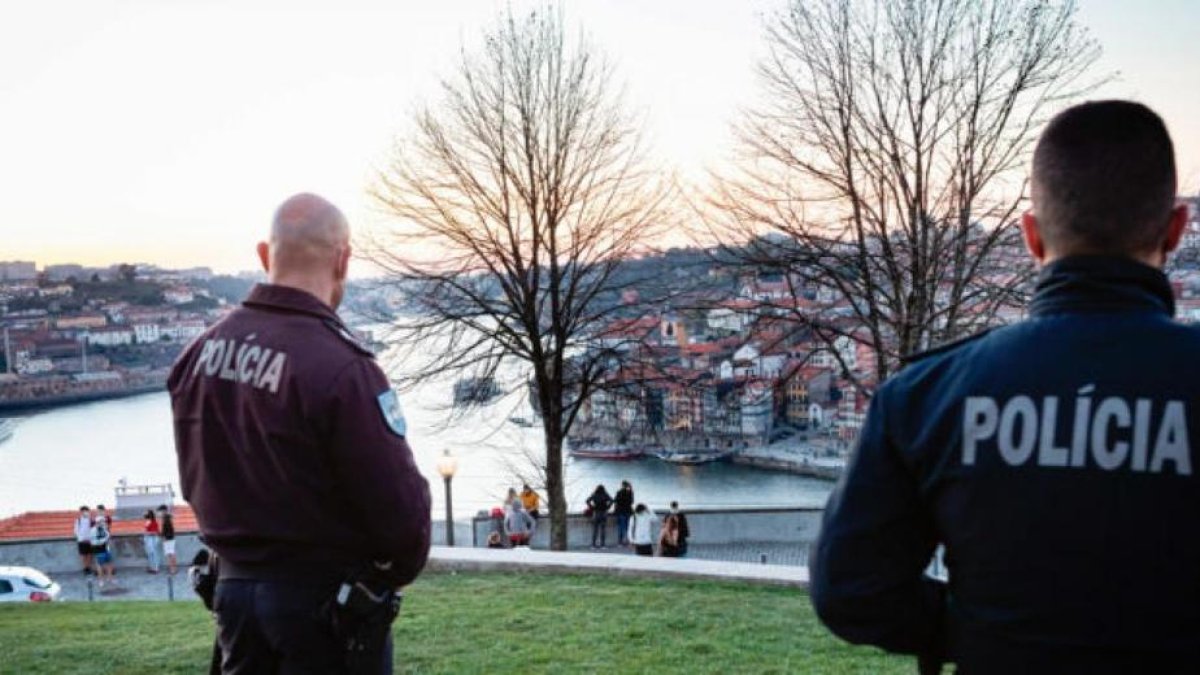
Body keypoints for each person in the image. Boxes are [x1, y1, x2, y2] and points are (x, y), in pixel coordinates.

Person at [809, 101, 1199, 674]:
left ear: (1032, 237)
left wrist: (969, 629)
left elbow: (849, 588)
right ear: (1175, 228)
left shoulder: (926, 395)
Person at [169, 193, 432, 674]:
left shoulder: (196, 356)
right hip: (323, 612)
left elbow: (197, 477)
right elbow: (401, 519)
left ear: (265, 256)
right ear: (343, 259)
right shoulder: (342, 369)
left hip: (233, 598)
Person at [90, 514, 115, 588]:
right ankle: (101, 580)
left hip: (106, 548)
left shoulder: (104, 529)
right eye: (102, 521)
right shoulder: (93, 530)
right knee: (99, 566)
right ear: (98, 522)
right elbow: (93, 542)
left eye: (103, 521)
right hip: (98, 550)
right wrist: (104, 540)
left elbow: (108, 535)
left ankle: (110, 578)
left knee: (109, 563)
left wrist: (107, 537)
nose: (103, 523)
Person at [585, 484, 613, 549]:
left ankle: (593, 545)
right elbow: (612, 500)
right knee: (603, 530)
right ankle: (603, 545)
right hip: (603, 513)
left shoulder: (594, 494)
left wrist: (592, 507)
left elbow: (587, 501)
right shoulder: (605, 495)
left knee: (595, 530)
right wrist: (608, 507)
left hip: (596, 513)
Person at [612, 480, 634, 546]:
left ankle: (620, 542)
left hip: (621, 512)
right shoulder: (629, 493)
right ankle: (627, 541)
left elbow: (615, 501)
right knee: (628, 528)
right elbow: (632, 502)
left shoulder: (619, 492)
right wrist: (631, 489)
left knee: (621, 527)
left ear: (622, 485)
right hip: (628, 511)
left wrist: (615, 510)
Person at [73, 506, 93, 575]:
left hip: (90, 541)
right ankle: (85, 568)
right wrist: (81, 539)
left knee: (90, 555)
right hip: (82, 541)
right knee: (83, 555)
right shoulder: (78, 520)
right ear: (81, 512)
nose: (85, 513)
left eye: (86, 511)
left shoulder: (91, 520)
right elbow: (76, 531)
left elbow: (93, 530)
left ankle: (89, 567)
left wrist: (90, 539)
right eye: (84, 511)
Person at [157, 506, 177, 575]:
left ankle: (172, 570)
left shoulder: (166, 519)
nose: (159, 513)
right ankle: (174, 569)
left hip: (168, 539)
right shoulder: (168, 518)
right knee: (172, 553)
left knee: (170, 554)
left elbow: (167, 530)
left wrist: (163, 536)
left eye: (160, 511)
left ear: (163, 511)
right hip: (170, 538)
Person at [143, 509, 162, 573]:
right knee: (150, 554)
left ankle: (156, 568)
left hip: (152, 539)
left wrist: (148, 533)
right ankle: (152, 567)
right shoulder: (149, 521)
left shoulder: (153, 522)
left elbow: (155, 532)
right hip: (149, 539)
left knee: (154, 554)